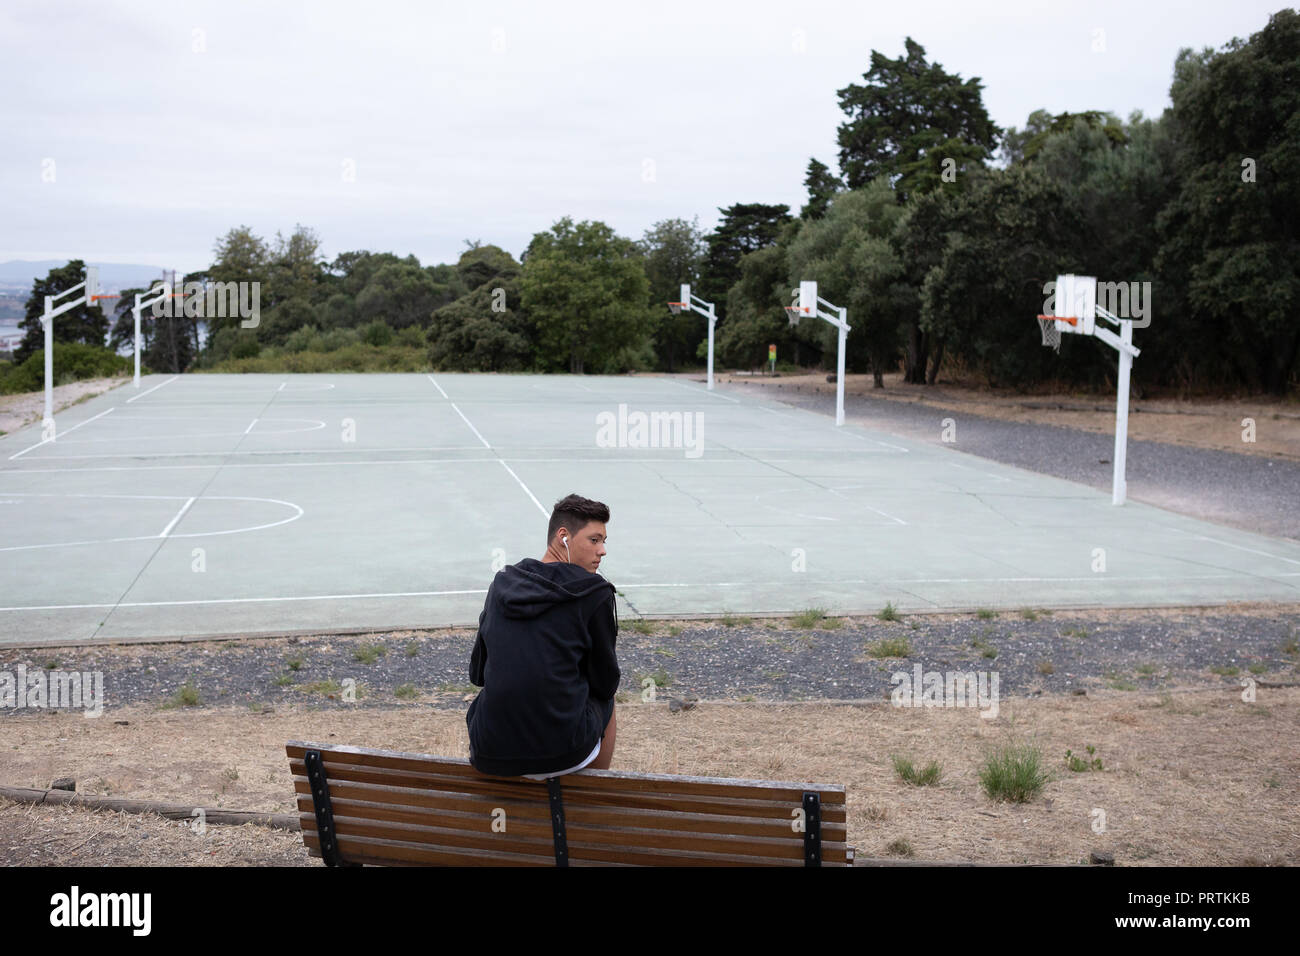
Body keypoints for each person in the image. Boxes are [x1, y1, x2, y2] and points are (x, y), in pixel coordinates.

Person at [466, 493, 619, 779]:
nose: (603, 551)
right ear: (563, 537)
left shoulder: (502, 584)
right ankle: (592, 800)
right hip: (564, 754)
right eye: (594, 540)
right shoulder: (594, 593)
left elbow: (478, 675)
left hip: (490, 751)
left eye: (604, 541)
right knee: (607, 701)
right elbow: (605, 683)